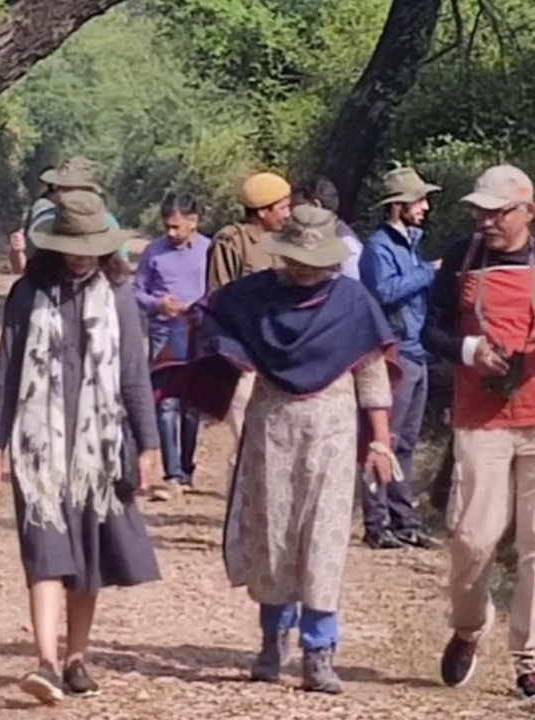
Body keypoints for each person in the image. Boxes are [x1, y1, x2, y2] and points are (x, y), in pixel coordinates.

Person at [157, 205, 401, 694]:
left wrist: (379, 438)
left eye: (314, 261)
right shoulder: (254, 297)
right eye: (296, 260)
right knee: (272, 535)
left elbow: (372, 373)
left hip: (331, 429)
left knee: (325, 540)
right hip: (271, 424)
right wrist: (209, 357)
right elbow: (211, 316)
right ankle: (273, 640)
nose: (304, 269)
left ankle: (319, 651)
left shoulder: (353, 303)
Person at [421, 164, 535, 704]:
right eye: (480, 212)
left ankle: (534, 664)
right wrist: (470, 351)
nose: (486, 222)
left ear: (528, 210)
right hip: (480, 418)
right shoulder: (461, 257)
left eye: (497, 212)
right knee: (469, 539)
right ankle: (469, 625)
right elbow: (431, 330)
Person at [0, 188, 162, 705]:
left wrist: (148, 445)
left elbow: (133, 378)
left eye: (90, 244)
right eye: (71, 244)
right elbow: (8, 373)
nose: (81, 254)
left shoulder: (120, 297)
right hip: (37, 445)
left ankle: (76, 656)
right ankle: (44, 660)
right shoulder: (26, 295)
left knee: (88, 555)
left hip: (99, 450)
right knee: (44, 551)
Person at [358, 165, 443, 550]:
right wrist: (429, 272)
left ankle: (403, 518)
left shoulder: (410, 243)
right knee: (383, 439)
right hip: (393, 352)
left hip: (416, 349)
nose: (425, 207)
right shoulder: (379, 247)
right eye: (419, 200)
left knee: (405, 441)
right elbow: (385, 292)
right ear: (400, 205)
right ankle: (377, 523)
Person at [206, 170, 294, 479]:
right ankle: (238, 506)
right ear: (262, 211)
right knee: (246, 437)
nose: (288, 213)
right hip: (244, 355)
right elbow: (218, 296)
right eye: (282, 207)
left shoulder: (287, 242)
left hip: (278, 356)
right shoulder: (232, 241)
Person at [135, 192, 211, 500]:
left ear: (194, 222)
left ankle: (188, 468)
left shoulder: (210, 250)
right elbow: (136, 291)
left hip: (198, 331)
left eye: (177, 226)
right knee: (166, 403)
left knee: (192, 405)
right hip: (164, 333)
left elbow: (221, 288)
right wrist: (157, 303)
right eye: (167, 226)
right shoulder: (153, 252)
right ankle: (173, 474)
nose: (171, 232)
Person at [8, 157, 128, 273]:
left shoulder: (107, 223)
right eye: (60, 188)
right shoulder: (41, 224)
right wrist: (17, 252)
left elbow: (118, 272)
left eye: (71, 189)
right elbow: (23, 270)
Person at [291, 175, 363, 280]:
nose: (291, 214)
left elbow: (350, 290)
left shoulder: (347, 244)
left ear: (316, 205)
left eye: (296, 207)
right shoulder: (312, 237)